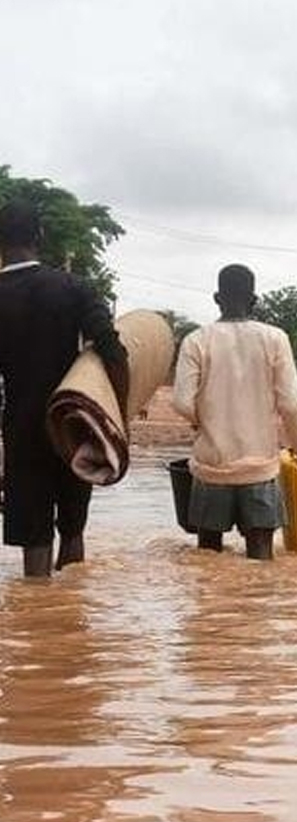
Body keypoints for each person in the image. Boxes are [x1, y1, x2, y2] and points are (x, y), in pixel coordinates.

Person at [0, 202, 129, 578]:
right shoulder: (73, 287)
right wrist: (118, 419)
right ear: (39, 237)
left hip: (21, 431)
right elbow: (112, 351)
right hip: (75, 424)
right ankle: (71, 619)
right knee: (73, 530)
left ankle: (37, 623)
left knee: (35, 541)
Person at [172, 264, 297, 561]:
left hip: (212, 469)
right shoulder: (275, 338)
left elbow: (182, 402)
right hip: (260, 470)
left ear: (216, 298)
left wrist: (201, 421)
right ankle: (255, 606)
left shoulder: (196, 340)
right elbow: (290, 404)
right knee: (261, 561)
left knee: (208, 562)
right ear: (254, 300)